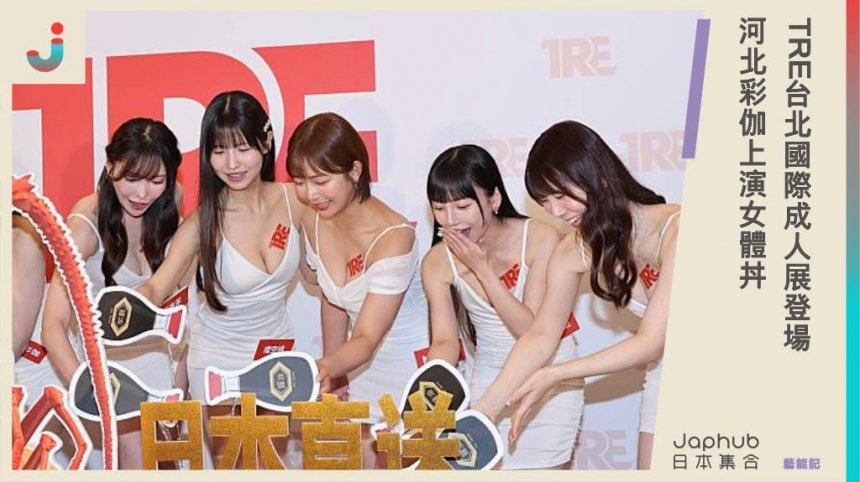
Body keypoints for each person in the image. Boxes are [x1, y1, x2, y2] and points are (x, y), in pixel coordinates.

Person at [474, 120, 680, 470]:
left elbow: (649, 342)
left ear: (596, 175)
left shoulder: (677, 229)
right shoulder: (575, 250)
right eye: (544, 201)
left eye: (560, 196)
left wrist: (556, 373)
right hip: (666, 373)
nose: (555, 212)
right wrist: (484, 410)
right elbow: (541, 334)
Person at [132, 91, 306, 467]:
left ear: (266, 142)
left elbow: (323, 260)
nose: (231, 163)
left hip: (275, 353)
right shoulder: (203, 221)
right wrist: (116, 312)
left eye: (242, 148)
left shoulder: (297, 201)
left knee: (272, 464)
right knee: (236, 465)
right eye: (219, 150)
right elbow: (156, 286)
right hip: (218, 360)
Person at [422, 145, 582, 469]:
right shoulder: (436, 263)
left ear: (493, 199)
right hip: (489, 378)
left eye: (462, 206)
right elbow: (444, 341)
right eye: (439, 208)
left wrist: (482, 269)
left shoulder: (540, 237)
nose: (450, 220)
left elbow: (532, 331)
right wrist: (428, 393)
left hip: (549, 376)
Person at [287, 112, 429, 468]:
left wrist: (322, 369)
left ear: (354, 170)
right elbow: (332, 297)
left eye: (321, 181)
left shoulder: (394, 236)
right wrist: (335, 377)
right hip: (358, 370)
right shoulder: (313, 218)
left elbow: (366, 336)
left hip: (408, 372)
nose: (310, 194)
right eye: (300, 182)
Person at [40, 117, 184, 469]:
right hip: (113, 372)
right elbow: (53, 326)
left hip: (164, 360)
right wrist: (93, 392)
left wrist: (180, 381)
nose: (142, 194)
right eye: (131, 178)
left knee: (170, 467)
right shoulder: (84, 227)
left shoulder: (170, 201)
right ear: (109, 166)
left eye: (156, 181)